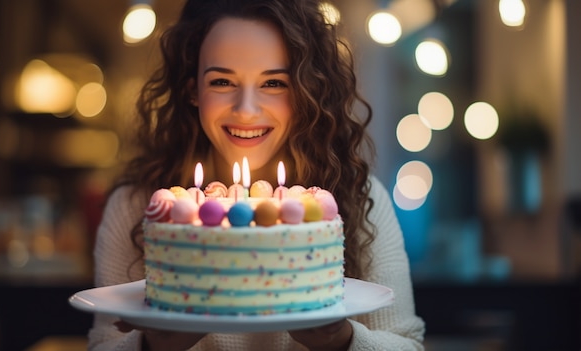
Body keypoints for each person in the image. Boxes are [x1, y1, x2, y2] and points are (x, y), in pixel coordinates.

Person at [88, 0, 425, 350]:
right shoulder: (136, 206)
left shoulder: (357, 196)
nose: (246, 110)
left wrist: (341, 340)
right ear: (192, 89)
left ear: (306, 90)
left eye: (274, 83)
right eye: (222, 81)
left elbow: (407, 344)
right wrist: (152, 346)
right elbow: (103, 344)